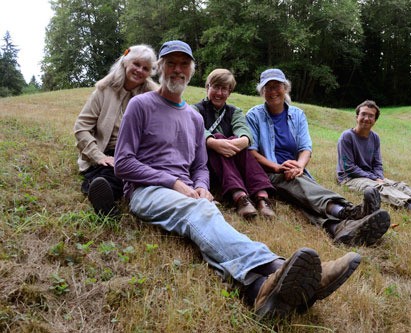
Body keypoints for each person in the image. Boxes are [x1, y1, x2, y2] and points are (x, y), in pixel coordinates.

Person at [114, 40, 363, 318]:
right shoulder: (141, 105)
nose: (177, 70)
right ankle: (277, 267)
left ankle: (258, 290)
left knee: (203, 217)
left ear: (191, 71)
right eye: (170, 63)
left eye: (183, 64)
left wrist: (201, 186)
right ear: (159, 68)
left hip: (186, 192)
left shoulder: (194, 119)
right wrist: (174, 183)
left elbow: (199, 165)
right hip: (146, 191)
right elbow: (123, 163)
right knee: (199, 212)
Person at [246, 69, 391, 246]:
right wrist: (277, 167)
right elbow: (251, 152)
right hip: (269, 172)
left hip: (296, 170)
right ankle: (349, 211)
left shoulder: (297, 115)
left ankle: (339, 229)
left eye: (277, 86)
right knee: (299, 186)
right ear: (262, 91)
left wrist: (299, 166)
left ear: (286, 88)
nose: (273, 91)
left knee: (301, 198)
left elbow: (305, 148)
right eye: (267, 87)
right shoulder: (254, 115)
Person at [74, 44, 158, 216]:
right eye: (136, 64)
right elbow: (81, 127)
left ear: (150, 73)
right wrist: (99, 156)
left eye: (145, 68)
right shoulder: (104, 90)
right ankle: (103, 198)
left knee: (141, 174)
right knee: (112, 172)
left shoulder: (153, 95)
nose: (139, 70)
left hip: (138, 151)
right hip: (108, 151)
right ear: (126, 62)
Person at [192, 69, 275, 219]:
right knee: (218, 137)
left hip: (233, 161)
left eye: (224, 89)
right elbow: (196, 130)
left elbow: (244, 130)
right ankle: (240, 196)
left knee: (239, 144)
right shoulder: (195, 110)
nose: (219, 93)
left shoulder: (234, 111)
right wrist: (212, 142)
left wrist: (241, 141)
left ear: (229, 92)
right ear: (207, 87)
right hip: (208, 164)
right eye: (215, 87)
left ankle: (262, 198)